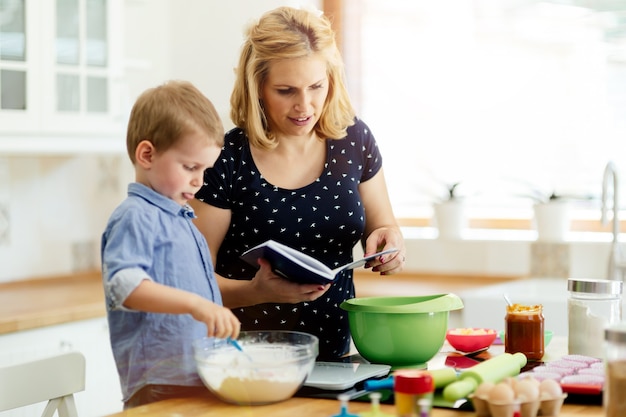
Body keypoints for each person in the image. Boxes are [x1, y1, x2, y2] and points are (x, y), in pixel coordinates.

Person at [191, 6, 406, 360]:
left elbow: (383, 224)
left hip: (334, 358)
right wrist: (256, 291)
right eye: (286, 90)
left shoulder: (354, 139)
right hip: (242, 361)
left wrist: (389, 242)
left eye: (316, 86)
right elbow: (193, 283)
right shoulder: (225, 157)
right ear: (257, 86)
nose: (304, 105)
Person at [101, 80, 241, 408]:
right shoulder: (136, 215)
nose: (199, 180)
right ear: (147, 154)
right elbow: (124, 286)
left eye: (205, 170)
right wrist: (196, 304)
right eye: (190, 167)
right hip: (159, 381)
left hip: (195, 375)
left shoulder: (181, 218)